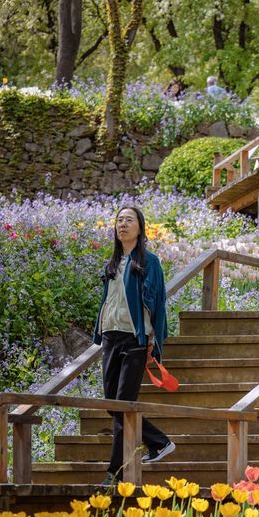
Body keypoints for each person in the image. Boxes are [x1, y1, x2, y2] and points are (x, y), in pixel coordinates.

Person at [93, 206, 174, 485]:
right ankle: (159, 442)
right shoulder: (113, 262)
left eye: (129, 220)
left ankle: (114, 474)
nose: (122, 224)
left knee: (122, 404)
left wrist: (152, 339)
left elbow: (157, 303)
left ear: (140, 228)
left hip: (135, 339)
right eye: (119, 220)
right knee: (114, 405)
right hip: (110, 336)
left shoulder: (149, 262)